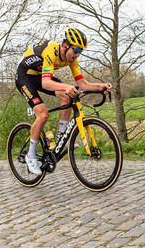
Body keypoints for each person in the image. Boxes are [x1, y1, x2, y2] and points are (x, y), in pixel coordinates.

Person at [15, 28, 112, 175]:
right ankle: (31, 155)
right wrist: (66, 86)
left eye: (81, 51)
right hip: (25, 77)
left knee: (67, 96)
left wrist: (100, 86)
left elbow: (82, 84)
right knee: (42, 114)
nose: (78, 54)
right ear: (65, 45)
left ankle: (61, 138)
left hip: (40, 77)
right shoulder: (51, 51)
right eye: (77, 50)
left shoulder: (72, 59)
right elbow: (47, 83)